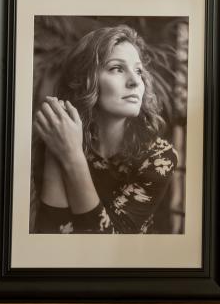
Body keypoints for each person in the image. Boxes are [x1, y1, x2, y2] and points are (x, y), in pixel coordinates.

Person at [33, 24, 178, 234]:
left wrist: (71, 156)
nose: (135, 81)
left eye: (138, 71)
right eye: (117, 68)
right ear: (84, 81)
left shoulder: (159, 158)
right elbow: (49, 236)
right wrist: (58, 148)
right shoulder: (61, 135)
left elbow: (107, 242)